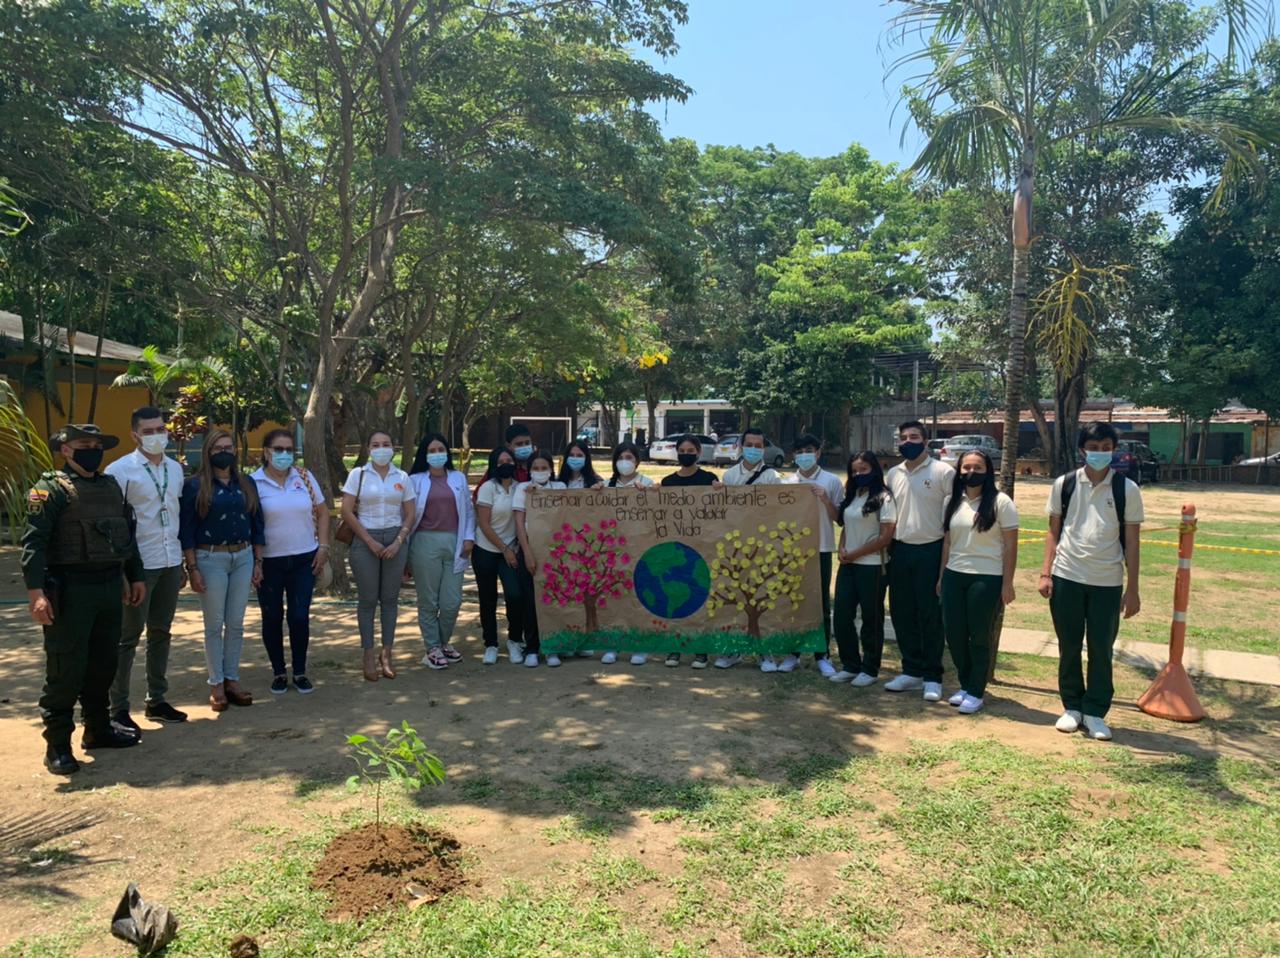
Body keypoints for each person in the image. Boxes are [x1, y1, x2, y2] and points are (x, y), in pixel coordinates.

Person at [22, 424, 145, 775]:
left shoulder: (110, 485)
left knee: (103, 663)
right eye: (83, 444)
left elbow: (126, 535)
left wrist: (134, 575)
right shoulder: (49, 489)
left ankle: (98, 729)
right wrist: (36, 594)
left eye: (96, 444)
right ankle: (57, 745)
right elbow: (34, 543)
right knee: (66, 668)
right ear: (65, 450)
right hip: (70, 590)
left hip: (108, 587)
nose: (92, 449)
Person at [1039, 422, 1144, 741]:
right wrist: (1045, 573)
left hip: (1107, 581)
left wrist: (1133, 589)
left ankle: (1095, 711)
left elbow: (1132, 541)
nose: (1100, 453)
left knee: (1101, 648)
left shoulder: (1127, 489)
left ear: (1114, 450)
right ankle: (1072, 707)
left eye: (1106, 448)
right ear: (1082, 450)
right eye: (1094, 448)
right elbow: (1053, 531)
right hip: (1067, 576)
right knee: (1069, 646)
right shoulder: (1065, 484)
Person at [104, 406, 188, 731]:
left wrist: (181, 563)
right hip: (138, 568)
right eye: (148, 431)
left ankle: (157, 700)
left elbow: (176, 516)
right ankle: (118, 708)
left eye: (160, 429)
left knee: (161, 633)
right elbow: (115, 528)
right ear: (135, 435)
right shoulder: (120, 471)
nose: (156, 436)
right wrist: (124, 573)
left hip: (169, 561)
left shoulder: (175, 469)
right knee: (127, 638)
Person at [180, 429, 265, 712]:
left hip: (243, 557)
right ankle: (216, 682)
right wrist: (192, 567)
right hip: (210, 558)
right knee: (214, 624)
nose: (223, 453)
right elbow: (187, 530)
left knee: (237, 623)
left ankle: (232, 678)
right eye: (217, 448)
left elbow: (257, 523)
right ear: (208, 452)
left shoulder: (247, 483)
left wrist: (258, 561)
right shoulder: (195, 486)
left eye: (228, 447)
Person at [938, 451, 1018, 715]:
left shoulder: (1001, 502)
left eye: (978, 467)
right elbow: (948, 542)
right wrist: (941, 576)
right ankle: (965, 684)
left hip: (986, 577)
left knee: (979, 636)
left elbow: (1011, 545)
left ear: (988, 470)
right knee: (955, 634)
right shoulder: (952, 501)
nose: (971, 472)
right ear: (959, 471)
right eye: (966, 467)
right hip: (954, 575)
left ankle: (976, 691)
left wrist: (1008, 583)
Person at [251, 428, 330, 695]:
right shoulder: (254, 482)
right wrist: (255, 561)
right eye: (278, 449)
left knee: (299, 616)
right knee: (272, 617)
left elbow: (323, 513)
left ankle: (299, 671)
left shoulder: (304, 477)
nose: (284, 454)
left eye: (289, 450)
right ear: (266, 452)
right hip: (269, 562)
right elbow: (250, 523)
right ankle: (278, 672)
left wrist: (323, 546)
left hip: (304, 560)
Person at [884, 420, 954, 701]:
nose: (908, 442)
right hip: (900, 550)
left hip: (931, 549)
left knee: (930, 615)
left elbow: (953, 516)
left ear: (925, 441)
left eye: (914, 437)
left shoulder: (943, 472)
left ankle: (932, 676)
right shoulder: (893, 474)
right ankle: (911, 671)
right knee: (902, 612)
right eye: (903, 437)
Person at [341, 431, 416, 682]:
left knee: (390, 600)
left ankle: (387, 654)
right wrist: (369, 541)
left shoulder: (402, 477)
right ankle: (368, 654)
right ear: (368, 449)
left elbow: (410, 513)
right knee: (368, 600)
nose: (381, 448)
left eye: (386, 444)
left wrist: (399, 541)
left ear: (393, 448)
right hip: (365, 539)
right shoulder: (358, 474)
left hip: (395, 539)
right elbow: (347, 511)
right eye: (376, 445)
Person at [712, 427, 780, 669]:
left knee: (763, 598)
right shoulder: (730, 475)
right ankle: (734, 650)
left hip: (763, 544)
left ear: (764, 448)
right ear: (741, 447)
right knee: (736, 597)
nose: (753, 449)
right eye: (749, 444)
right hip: (735, 545)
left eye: (758, 446)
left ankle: (765, 652)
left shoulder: (772, 477)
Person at [407, 433, 475, 670]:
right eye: (432, 451)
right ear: (424, 454)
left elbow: (468, 510)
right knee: (428, 600)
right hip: (425, 543)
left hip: (456, 542)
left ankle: (444, 642)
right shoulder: (415, 480)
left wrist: (469, 537)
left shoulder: (458, 477)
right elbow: (407, 515)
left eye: (441, 450)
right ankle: (432, 647)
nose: (437, 454)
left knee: (451, 602)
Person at [831, 451, 896, 687]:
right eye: (854, 471)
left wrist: (855, 553)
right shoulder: (853, 495)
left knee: (871, 618)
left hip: (872, 567)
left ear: (874, 470)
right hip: (848, 565)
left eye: (863, 470)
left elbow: (885, 538)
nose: (859, 475)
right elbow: (847, 526)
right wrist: (842, 549)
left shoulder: (884, 498)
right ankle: (850, 665)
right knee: (841, 615)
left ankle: (870, 668)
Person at [782, 434, 844, 676]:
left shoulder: (831, 481)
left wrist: (826, 500)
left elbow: (839, 518)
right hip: (794, 552)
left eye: (809, 450)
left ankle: (822, 654)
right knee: (793, 602)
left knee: (820, 603)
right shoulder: (786, 483)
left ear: (818, 453)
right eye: (799, 451)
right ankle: (793, 653)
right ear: (794, 455)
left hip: (822, 548)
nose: (804, 455)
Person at [660, 435, 717, 668]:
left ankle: (700, 649)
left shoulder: (709, 479)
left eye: (691, 450)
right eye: (682, 450)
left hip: (701, 547)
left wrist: (720, 491)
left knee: (699, 595)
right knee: (675, 596)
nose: (686, 454)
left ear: (699, 452)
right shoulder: (667, 482)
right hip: (675, 549)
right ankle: (675, 647)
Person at [602, 441, 655, 666]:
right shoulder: (606, 485)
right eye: (621, 458)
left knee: (638, 597)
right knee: (614, 597)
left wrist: (650, 495)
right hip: (613, 551)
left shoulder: (647, 483)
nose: (625, 462)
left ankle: (640, 645)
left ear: (637, 461)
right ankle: (612, 644)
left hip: (640, 549)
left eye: (630, 458)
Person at [473, 446, 526, 665]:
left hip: (510, 551)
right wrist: (504, 549)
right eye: (501, 462)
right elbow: (484, 524)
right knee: (488, 598)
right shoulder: (488, 488)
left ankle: (515, 640)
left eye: (509, 461)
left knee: (515, 595)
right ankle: (491, 644)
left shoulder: (521, 488)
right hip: (486, 549)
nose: (506, 465)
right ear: (494, 465)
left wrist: (510, 549)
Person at [513, 449, 567, 667]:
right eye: (536, 468)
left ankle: (552, 647)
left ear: (551, 470)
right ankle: (532, 648)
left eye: (544, 468)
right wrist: (527, 553)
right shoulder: (522, 489)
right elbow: (519, 523)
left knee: (553, 600)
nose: (540, 471)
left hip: (555, 551)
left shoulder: (560, 488)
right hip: (531, 549)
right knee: (530, 601)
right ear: (529, 470)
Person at [473, 423, 534, 498]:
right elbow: (477, 497)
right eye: (519, 444)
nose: (524, 447)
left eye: (527, 443)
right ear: (508, 446)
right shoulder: (501, 468)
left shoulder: (538, 465)